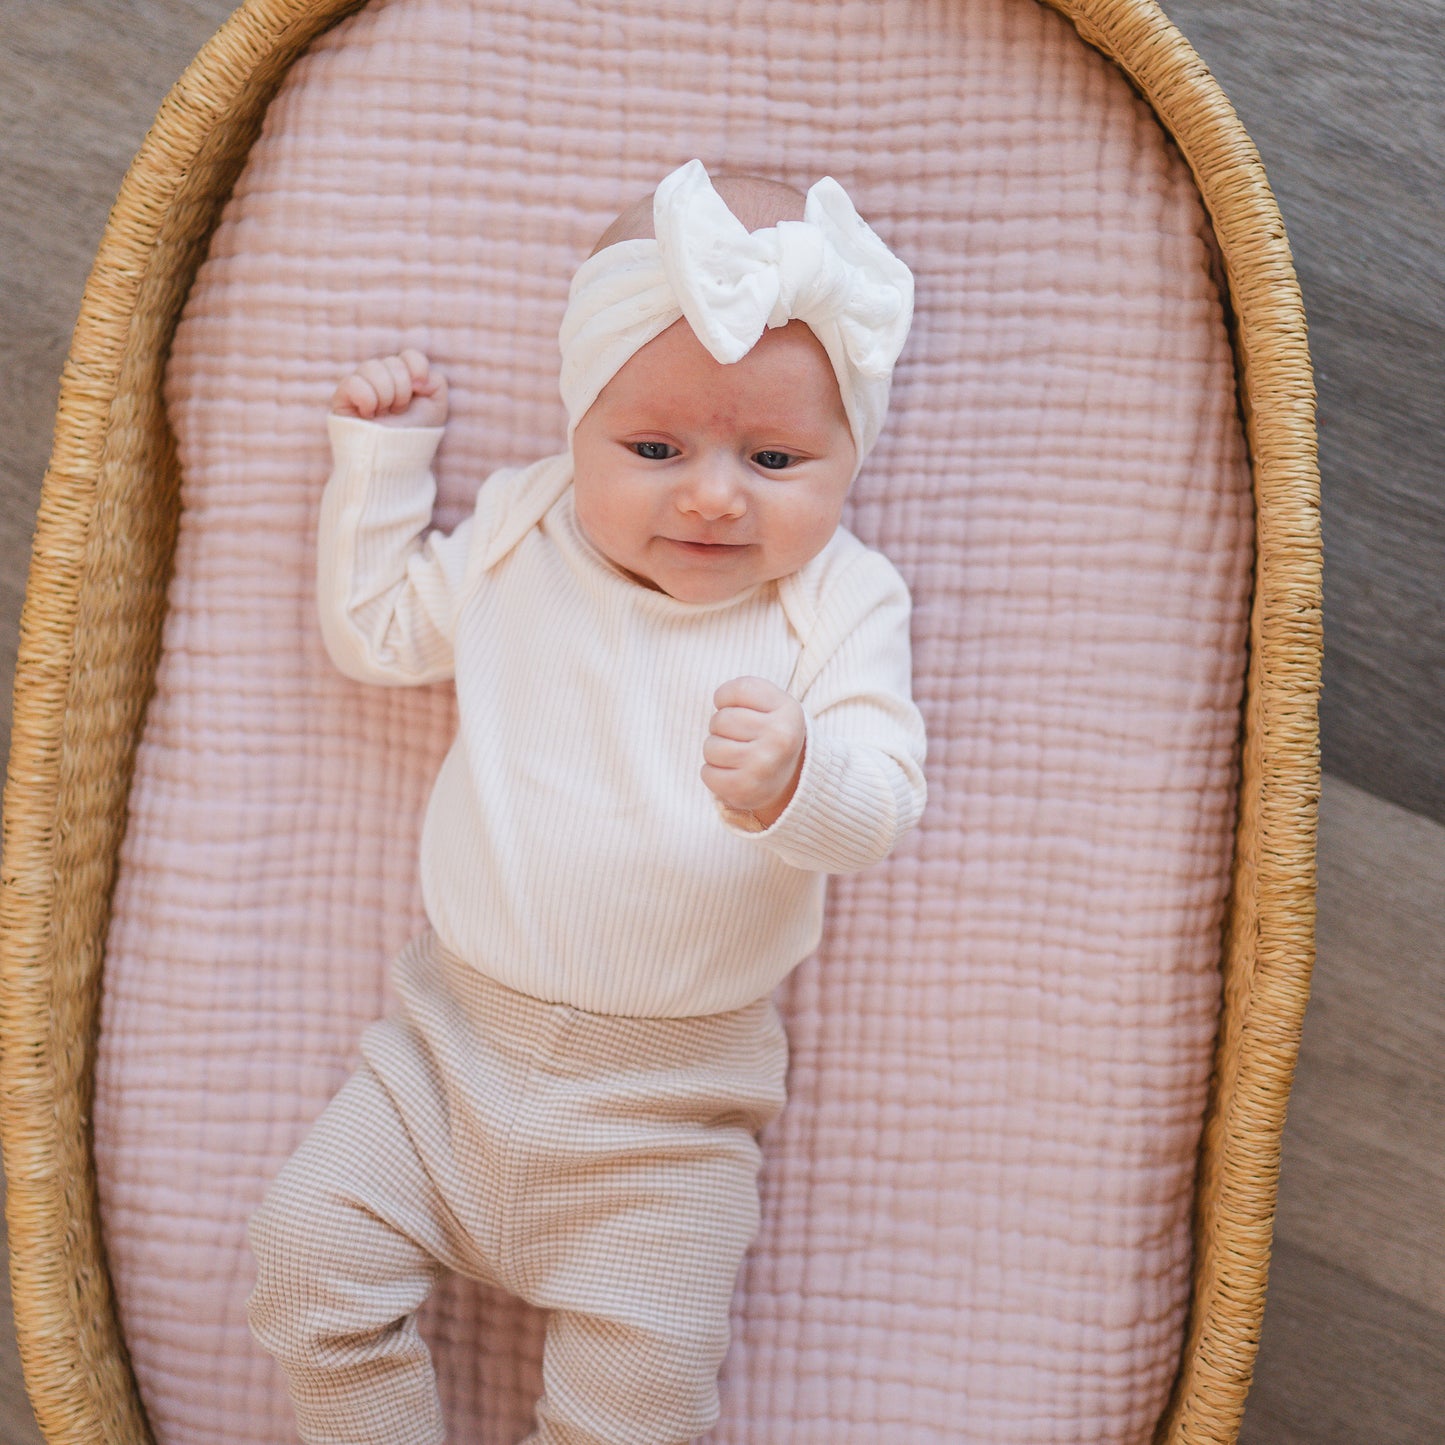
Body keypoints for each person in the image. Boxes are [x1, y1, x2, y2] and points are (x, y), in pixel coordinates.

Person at [247, 158, 927, 1445]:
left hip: (667, 1117)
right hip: (441, 1058)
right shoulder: (528, 526)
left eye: (774, 456)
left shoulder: (839, 597)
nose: (712, 492)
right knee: (301, 1258)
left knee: (641, 1400)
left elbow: (881, 802)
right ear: (578, 427)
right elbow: (379, 634)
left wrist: (799, 777)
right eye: (654, 448)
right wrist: (383, 467)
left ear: (850, 454)